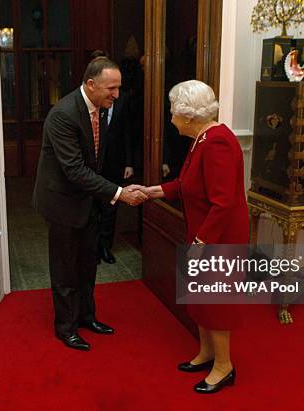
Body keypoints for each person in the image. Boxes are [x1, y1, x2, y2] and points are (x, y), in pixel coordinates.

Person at [140, 80, 249, 394]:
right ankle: (206, 354)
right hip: (205, 234)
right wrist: (153, 192)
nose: (171, 118)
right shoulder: (202, 138)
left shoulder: (218, 142)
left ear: (187, 116)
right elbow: (187, 184)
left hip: (220, 238)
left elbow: (223, 202)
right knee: (201, 298)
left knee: (216, 302)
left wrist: (201, 245)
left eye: (173, 112)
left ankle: (224, 366)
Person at [32, 57, 147, 351]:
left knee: (87, 263)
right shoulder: (63, 115)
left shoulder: (101, 109)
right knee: (65, 267)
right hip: (62, 202)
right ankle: (65, 327)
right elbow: (75, 170)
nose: (117, 95)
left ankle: (86, 317)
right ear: (91, 84)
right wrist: (119, 193)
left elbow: (97, 161)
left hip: (88, 200)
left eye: (119, 88)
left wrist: (116, 186)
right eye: (112, 88)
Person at [98, 87, 134, 264]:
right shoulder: (92, 99)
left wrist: (129, 162)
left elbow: (128, 130)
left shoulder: (123, 99)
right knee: (92, 204)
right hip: (93, 163)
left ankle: (105, 246)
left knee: (111, 205)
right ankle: (91, 246)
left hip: (115, 162)